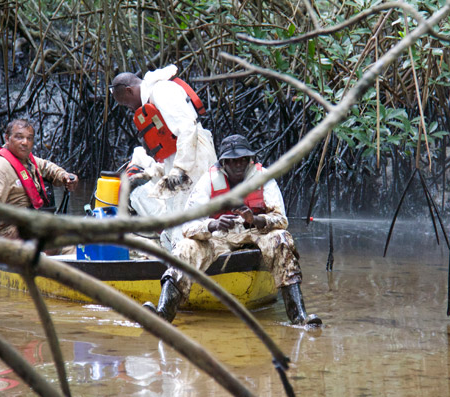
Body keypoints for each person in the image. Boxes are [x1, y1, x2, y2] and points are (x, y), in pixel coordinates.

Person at [144, 134, 322, 327]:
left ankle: (299, 317)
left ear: (249, 160)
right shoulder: (208, 181)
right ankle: (163, 314)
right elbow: (188, 225)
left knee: (281, 239)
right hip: (219, 237)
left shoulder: (264, 178)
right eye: (233, 161)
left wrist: (254, 219)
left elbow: (281, 220)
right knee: (185, 248)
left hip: (255, 233)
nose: (239, 165)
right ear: (224, 163)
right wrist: (214, 224)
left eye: (243, 160)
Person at [110, 65, 217, 249]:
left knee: (190, 214)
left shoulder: (161, 91)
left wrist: (180, 169)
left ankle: (191, 261)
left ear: (129, 90)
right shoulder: (152, 96)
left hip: (196, 155)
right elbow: (171, 148)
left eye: (126, 104)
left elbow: (187, 129)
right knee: (176, 215)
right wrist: (154, 172)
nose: (129, 109)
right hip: (185, 156)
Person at [0, 119, 79, 239]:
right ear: (7, 139)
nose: (25, 142)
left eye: (29, 138)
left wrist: (64, 176)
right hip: (6, 233)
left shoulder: (27, 160)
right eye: (19, 137)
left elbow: (47, 167)